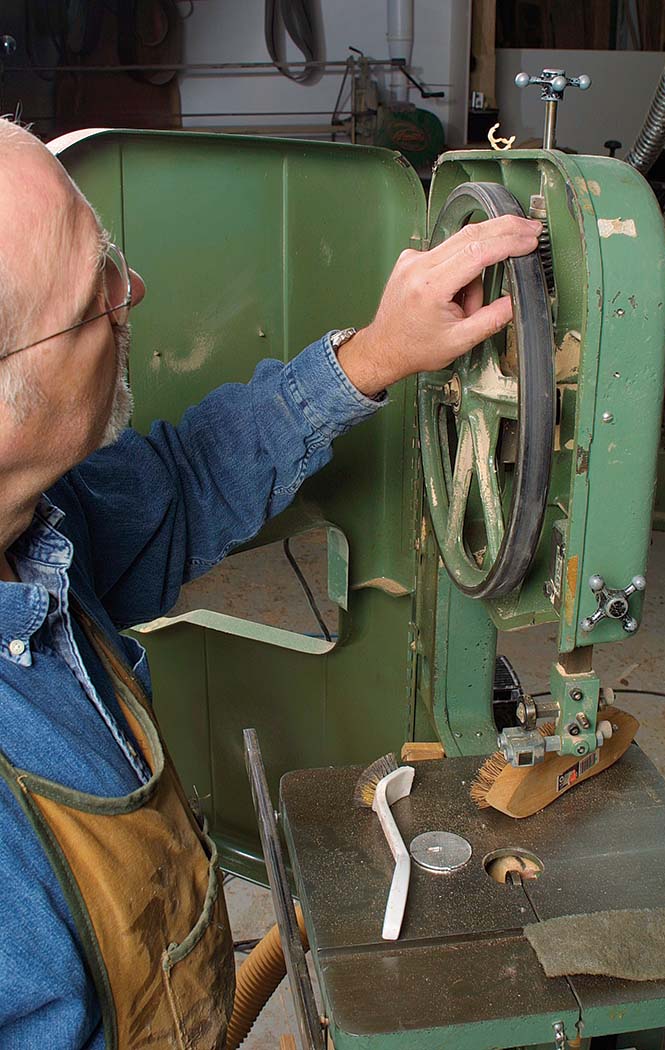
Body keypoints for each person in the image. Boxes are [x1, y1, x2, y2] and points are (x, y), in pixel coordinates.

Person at [0, 117, 541, 1049]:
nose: (135, 290)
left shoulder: (40, 518)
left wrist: (374, 353)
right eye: (97, 293)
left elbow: (177, 490)